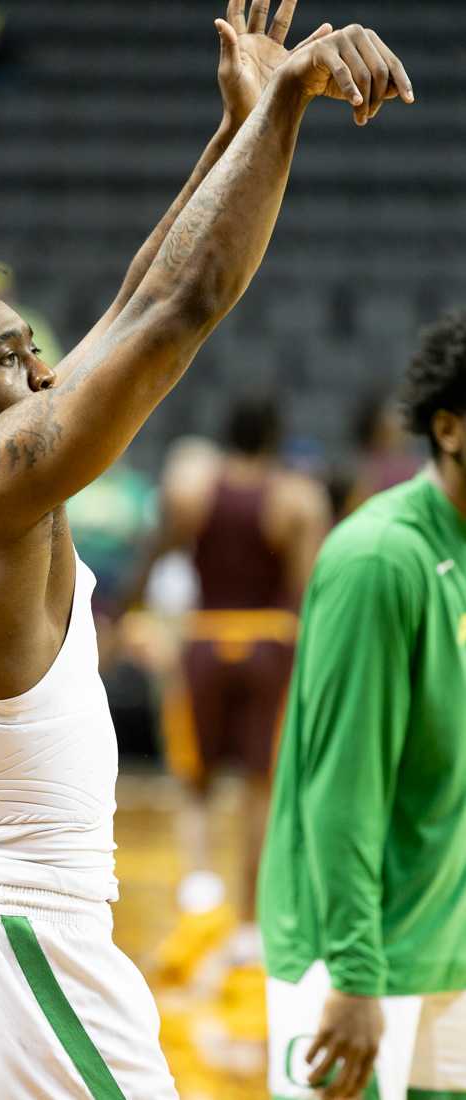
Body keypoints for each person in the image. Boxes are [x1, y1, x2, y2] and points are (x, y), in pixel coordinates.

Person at [0, 5, 413, 1097]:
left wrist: (231, 133)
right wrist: (287, 104)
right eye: (8, 361)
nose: (44, 376)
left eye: (33, 348)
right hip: (18, 947)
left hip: (3, 942)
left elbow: (138, 297)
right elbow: (178, 309)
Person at [258, 310, 466, 1100]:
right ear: (448, 428)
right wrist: (353, 975)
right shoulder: (379, 562)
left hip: (442, 955)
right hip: (358, 970)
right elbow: (342, 786)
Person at [126, 395, 330, 979]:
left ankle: (199, 901)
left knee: (194, 786)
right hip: (270, 644)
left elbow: (155, 552)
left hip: (204, 642)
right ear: (274, 439)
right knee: (262, 790)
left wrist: (132, 604)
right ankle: (247, 928)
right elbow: (307, 588)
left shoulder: (193, 485)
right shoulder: (297, 498)